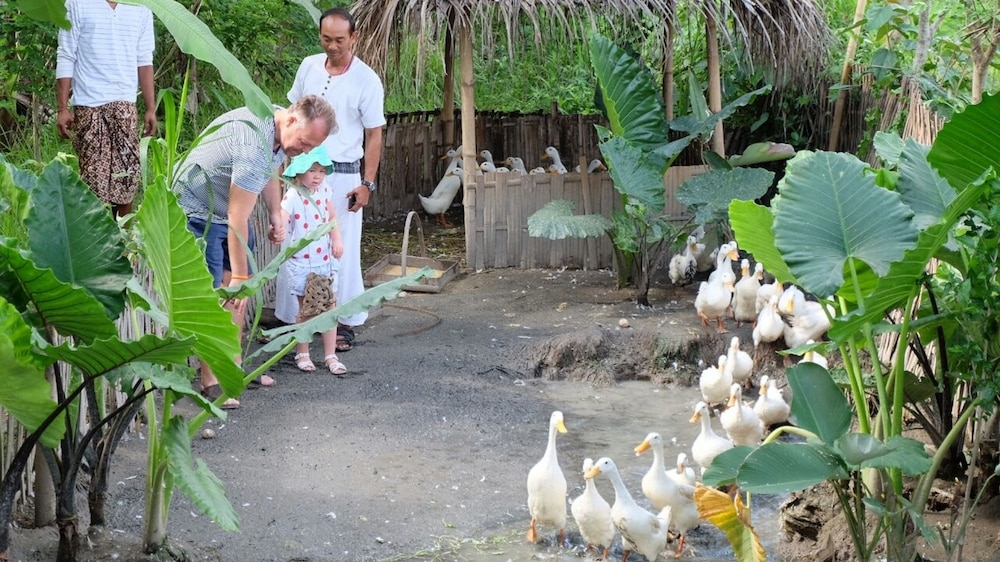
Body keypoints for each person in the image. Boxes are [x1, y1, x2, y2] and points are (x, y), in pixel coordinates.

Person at [174, 95, 337, 408]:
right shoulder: (253, 143)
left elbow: (270, 172)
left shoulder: (277, 128)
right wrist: (240, 275)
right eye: (303, 143)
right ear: (291, 119)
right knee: (219, 296)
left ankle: (232, 369)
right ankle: (210, 380)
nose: (302, 152)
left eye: (309, 148)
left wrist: (276, 212)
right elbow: (238, 217)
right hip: (198, 211)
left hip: (224, 210)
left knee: (234, 300)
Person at [285, 7, 386, 353]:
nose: (332, 46)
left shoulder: (367, 80)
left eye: (339, 40)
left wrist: (367, 184)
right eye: (326, 39)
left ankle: (341, 321)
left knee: (338, 249)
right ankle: (296, 318)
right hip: (301, 172)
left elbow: (374, 134)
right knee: (298, 245)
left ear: (354, 38)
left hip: (343, 176)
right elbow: (292, 113)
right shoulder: (308, 66)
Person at [55, 0, 157, 218]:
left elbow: (144, 59)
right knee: (93, 187)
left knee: (125, 181)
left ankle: (123, 248)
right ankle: (96, 247)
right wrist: (62, 108)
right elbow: (66, 54)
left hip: (125, 107)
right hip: (89, 107)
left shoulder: (142, 7)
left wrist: (150, 107)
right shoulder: (77, 3)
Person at [278, 146, 347, 375]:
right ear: (298, 173)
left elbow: (332, 217)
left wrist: (336, 239)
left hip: (324, 260)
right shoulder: (292, 196)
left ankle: (330, 354)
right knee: (306, 309)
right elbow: (282, 217)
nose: (317, 176)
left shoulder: (325, 191)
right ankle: (303, 352)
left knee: (329, 307)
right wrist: (277, 229)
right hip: (302, 262)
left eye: (321, 171)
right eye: (311, 170)